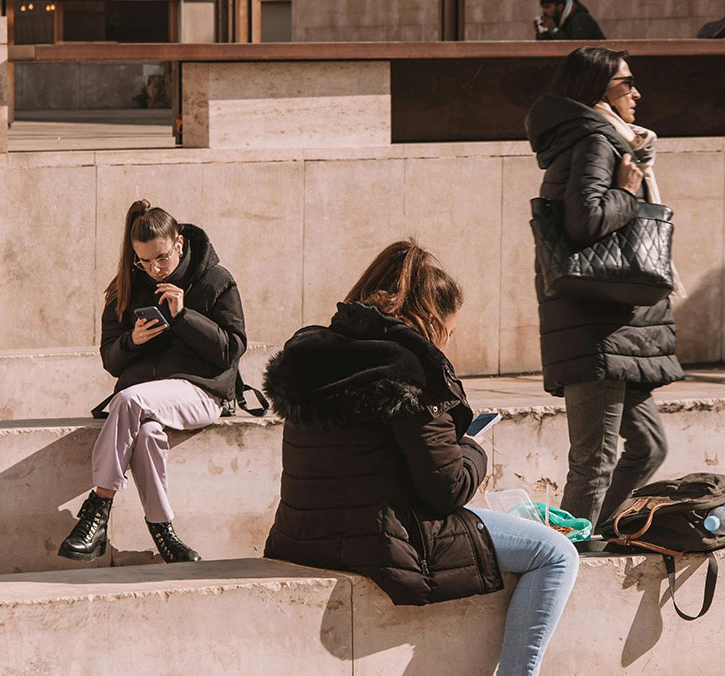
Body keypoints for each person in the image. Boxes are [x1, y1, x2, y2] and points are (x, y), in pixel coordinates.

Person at [263, 241, 578, 676]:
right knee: (556, 553)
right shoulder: (411, 370)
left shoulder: (315, 353)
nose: (448, 340)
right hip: (380, 539)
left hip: (300, 533)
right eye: (450, 329)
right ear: (432, 319)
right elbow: (447, 489)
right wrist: (472, 447)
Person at [525, 47, 682, 530]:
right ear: (598, 90)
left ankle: (600, 536)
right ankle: (566, 555)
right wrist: (625, 191)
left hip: (617, 324)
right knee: (593, 460)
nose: (636, 93)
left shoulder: (610, 140)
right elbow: (584, 220)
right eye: (625, 83)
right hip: (594, 324)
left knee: (648, 446)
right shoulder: (596, 141)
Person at [58, 200, 247, 564]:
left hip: (201, 391)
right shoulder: (127, 287)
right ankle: (165, 533)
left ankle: (98, 507)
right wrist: (133, 341)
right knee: (146, 435)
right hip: (150, 398)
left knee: (129, 400)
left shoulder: (215, 280)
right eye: (143, 261)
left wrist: (184, 316)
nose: (154, 269)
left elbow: (232, 350)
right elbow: (110, 360)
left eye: (161, 257)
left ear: (179, 243)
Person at [534, 0, 605, 40]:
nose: (543, 11)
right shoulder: (555, 19)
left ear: (560, 7)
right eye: (543, 7)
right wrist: (541, 34)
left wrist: (554, 30)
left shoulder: (581, 19)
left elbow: (576, 49)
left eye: (547, 7)